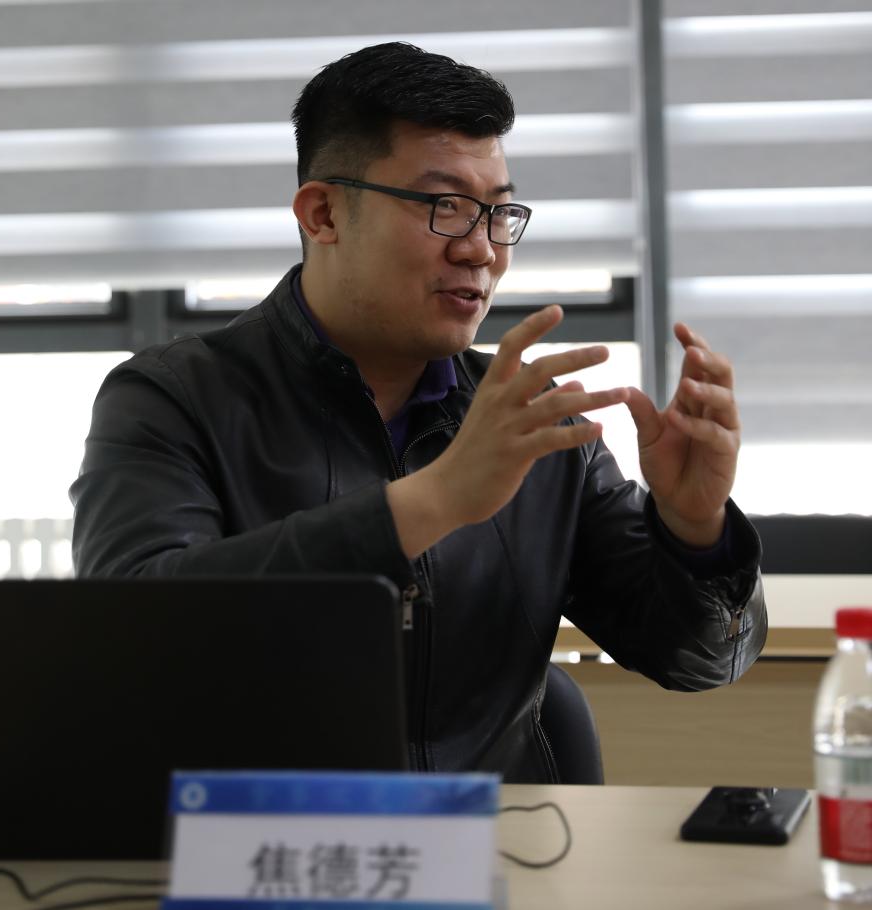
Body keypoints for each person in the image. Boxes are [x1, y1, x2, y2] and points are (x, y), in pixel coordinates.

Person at [70, 42, 767, 782]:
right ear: (324, 214)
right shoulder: (172, 398)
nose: (481, 251)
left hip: (499, 837)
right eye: (445, 207)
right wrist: (430, 501)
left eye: (498, 213)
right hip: (259, 835)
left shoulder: (532, 422)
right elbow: (133, 636)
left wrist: (695, 530)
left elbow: (692, 659)